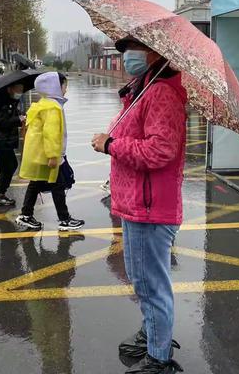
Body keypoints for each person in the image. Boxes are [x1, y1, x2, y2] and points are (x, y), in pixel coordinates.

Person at [92, 37, 185, 374]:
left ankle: (160, 359)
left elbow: (160, 151)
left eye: (132, 49)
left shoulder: (160, 93)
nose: (126, 56)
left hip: (150, 207)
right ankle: (153, 333)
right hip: (136, 204)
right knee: (142, 280)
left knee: (151, 284)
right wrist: (114, 139)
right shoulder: (142, 89)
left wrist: (111, 144)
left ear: (156, 52)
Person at [17, 72, 84, 231]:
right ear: (54, 86)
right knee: (57, 186)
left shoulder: (43, 103)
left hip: (40, 155)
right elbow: (51, 133)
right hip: (49, 156)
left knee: (37, 183)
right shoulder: (53, 107)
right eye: (64, 85)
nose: (66, 89)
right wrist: (54, 155)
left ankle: (26, 215)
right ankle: (64, 219)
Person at [0, 82, 25, 206]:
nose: (20, 91)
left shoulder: (9, 101)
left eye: (21, 89)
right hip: (2, 140)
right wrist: (18, 119)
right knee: (10, 166)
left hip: (3, 140)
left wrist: (19, 115)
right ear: (9, 89)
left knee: (7, 166)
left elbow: (9, 116)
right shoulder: (3, 102)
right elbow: (2, 122)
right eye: (18, 89)